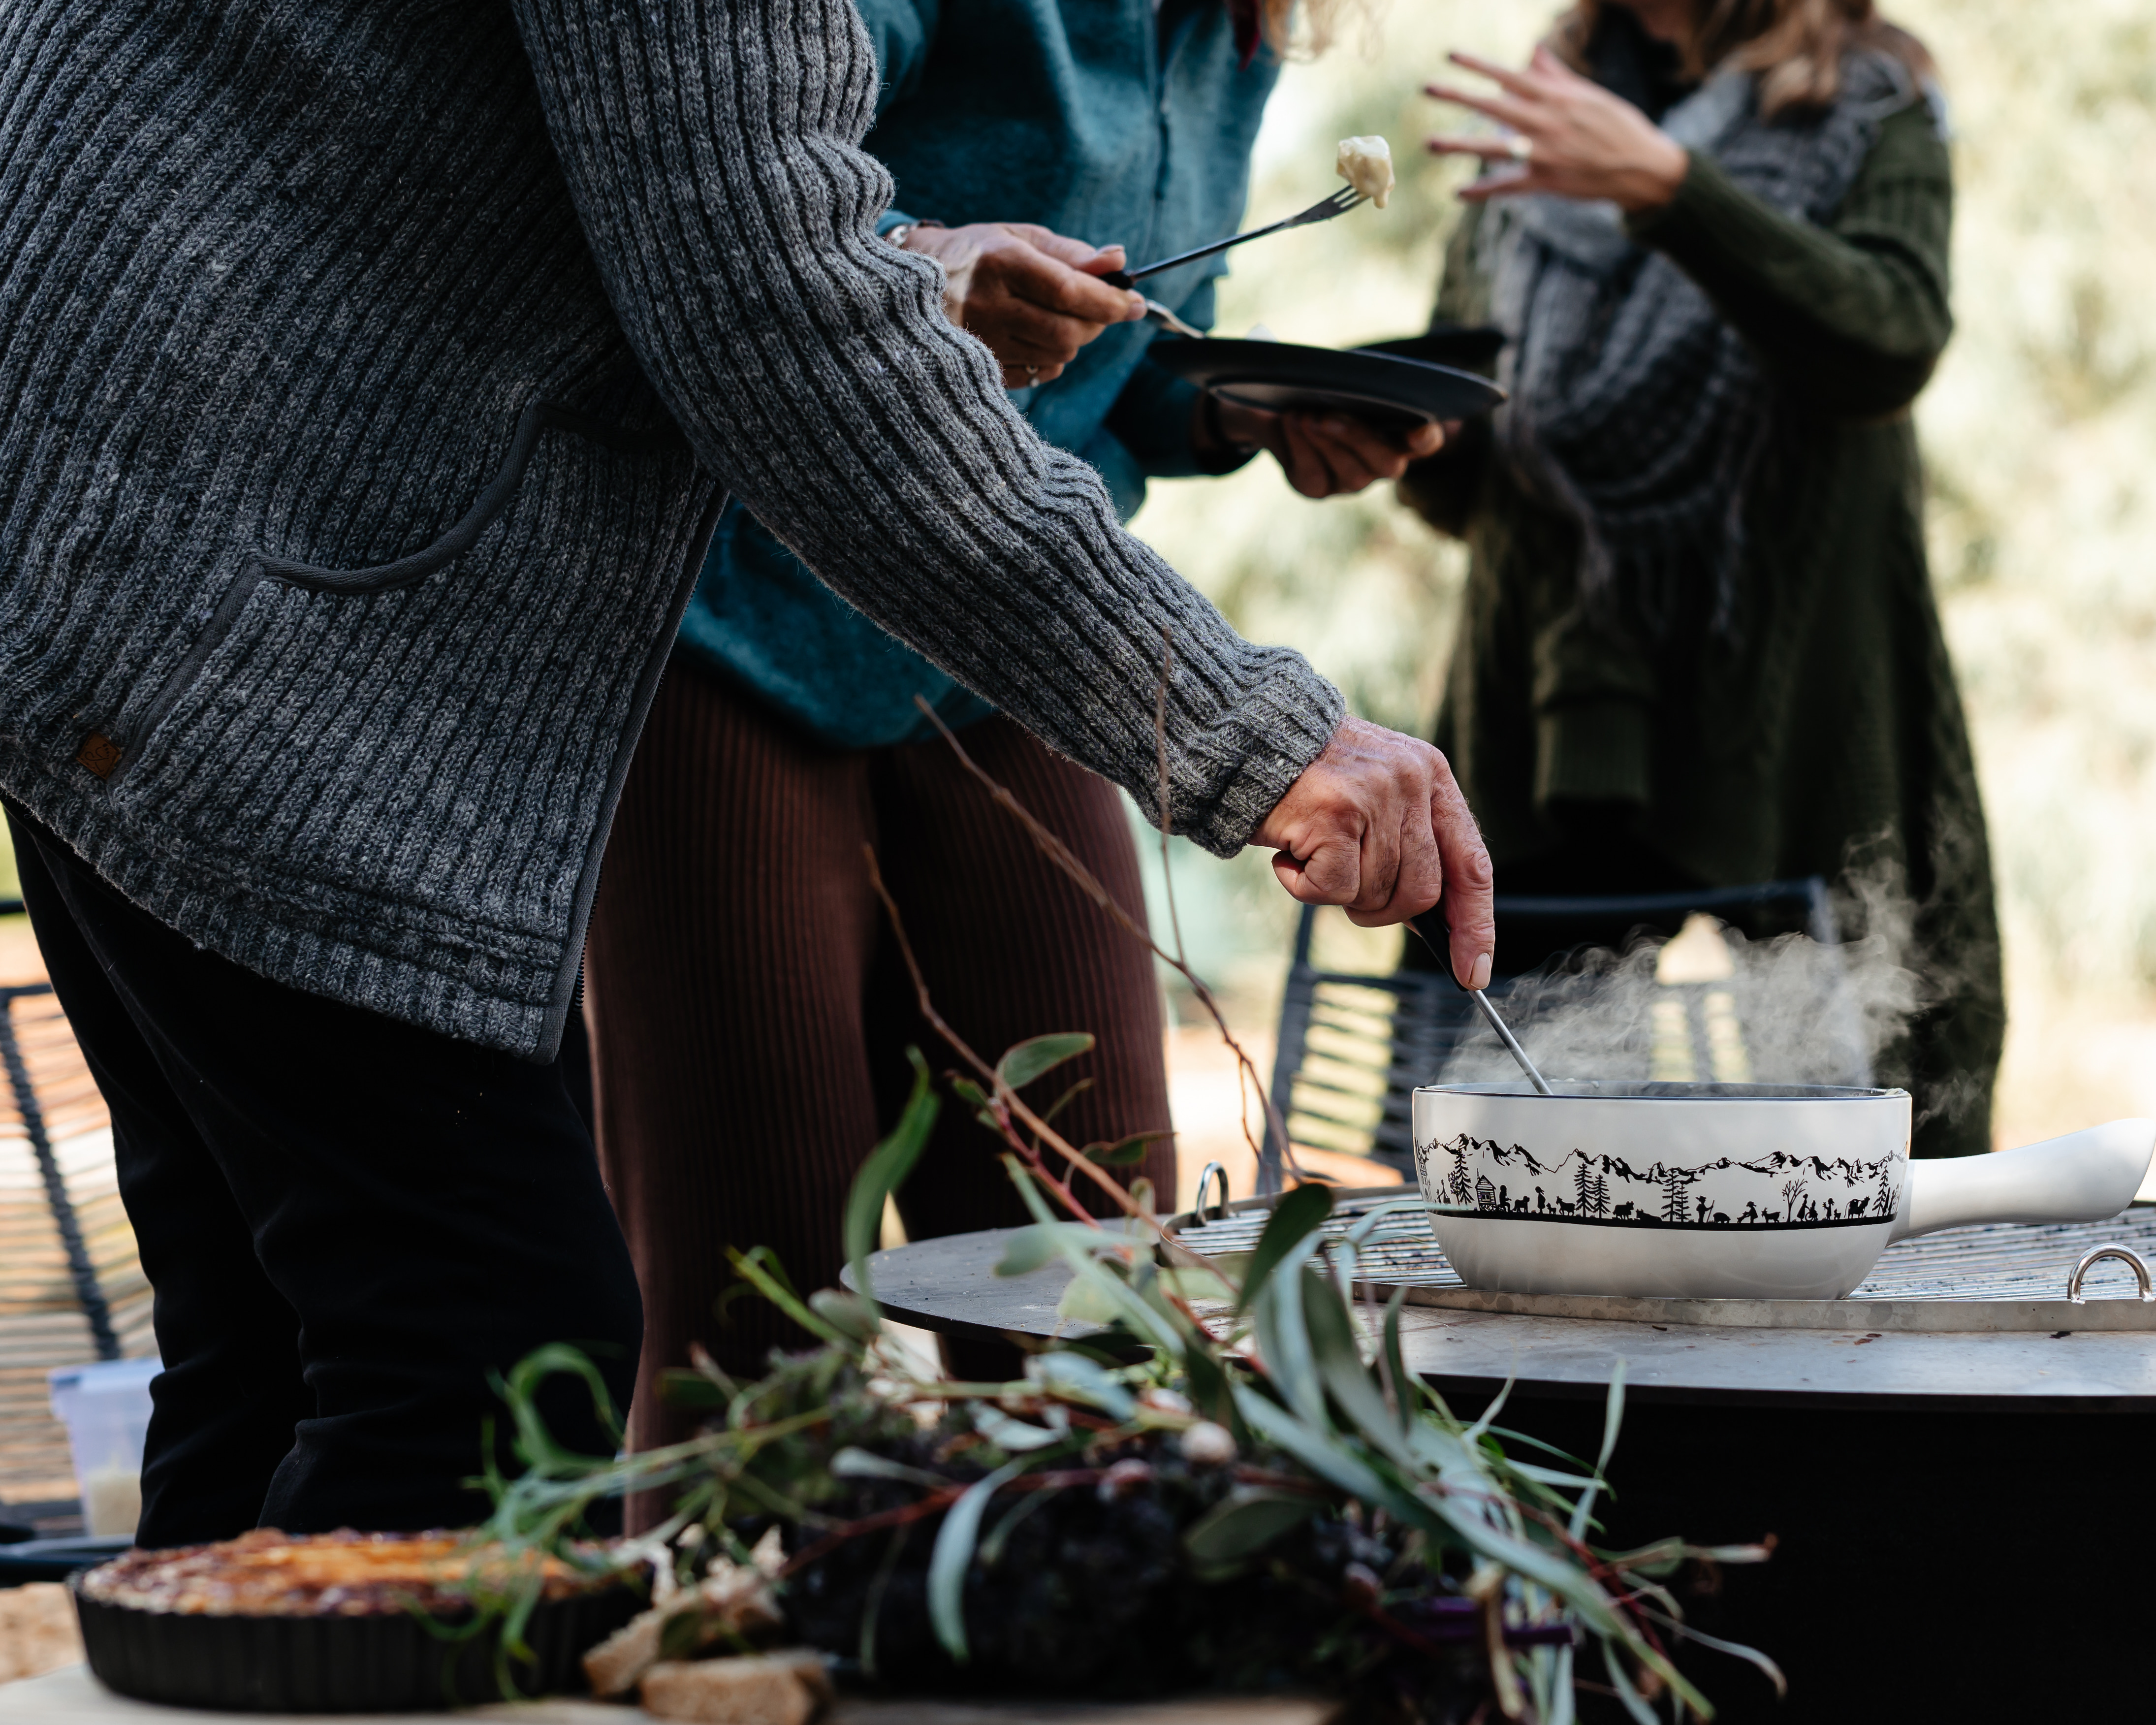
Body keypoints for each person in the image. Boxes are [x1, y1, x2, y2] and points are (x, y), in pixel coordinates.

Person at [0, 0, 1492, 1545]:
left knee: (294, 1345)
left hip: (140, 541)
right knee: (493, 1357)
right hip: (251, 572)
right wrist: (1248, 725)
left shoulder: (1231, 41)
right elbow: (768, 286)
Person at [583, 0, 1445, 1438]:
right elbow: (730, 227)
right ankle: (721, 1647)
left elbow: (1105, 359)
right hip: (731, 627)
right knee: (767, 1316)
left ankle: (1078, 1621)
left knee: (1102, 1284)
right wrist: (924, 260)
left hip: (1007, 650)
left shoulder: (1232, 38)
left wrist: (1229, 412)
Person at [1399, 0, 2001, 1156]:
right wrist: (1387, 429)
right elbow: (1471, 460)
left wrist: (1674, 190)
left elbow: (1890, 337)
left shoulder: (1867, 100)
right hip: (1548, 720)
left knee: (1848, 1179)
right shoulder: (1548, 106)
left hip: (1784, 724)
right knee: (1495, 1167)